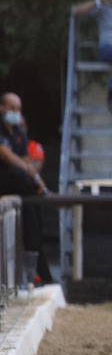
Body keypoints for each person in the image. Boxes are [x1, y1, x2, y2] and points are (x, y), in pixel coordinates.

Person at [0, 93, 52, 283]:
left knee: (33, 226)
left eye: (18, 109)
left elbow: (26, 160)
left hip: (21, 186)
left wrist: (35, 176)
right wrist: (31, 174)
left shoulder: (19, 133)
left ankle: (40, 273)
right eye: (12, 108)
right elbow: (8, 156)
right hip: (8, 180)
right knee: (19, 175)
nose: (15, 113)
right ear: (2, 108)